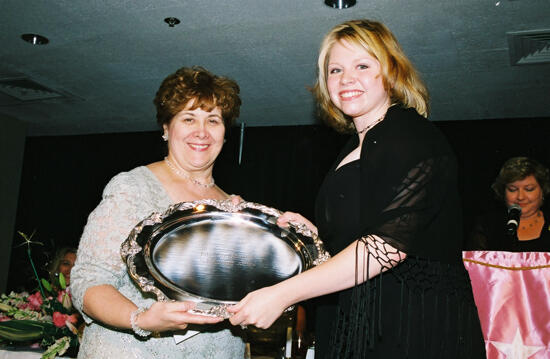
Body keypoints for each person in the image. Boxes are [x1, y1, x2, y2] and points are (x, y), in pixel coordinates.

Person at [229, 19, 485, 358]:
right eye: (335, 70)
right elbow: (369, 231)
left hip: (411, 323)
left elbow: (386, 247)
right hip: (361, 319)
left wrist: (282, 294)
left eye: (362, 65)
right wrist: (316, 235)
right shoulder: (354, 145)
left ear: (392, 72)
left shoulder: (408, 134)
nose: (346, 79)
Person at [70, 66, 245, 358]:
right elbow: (87, 282)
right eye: (188, 118)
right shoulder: (133, 188)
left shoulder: (233, 206)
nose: (201, 132)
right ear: (166, 128)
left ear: (225, 134)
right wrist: (141, 318)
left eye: (213, 120)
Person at [469, 156, 550, 251]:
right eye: (513, 190)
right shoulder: (487, 225)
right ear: (503, 192)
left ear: (543, 191)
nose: (520, 197)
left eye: (529, 189)